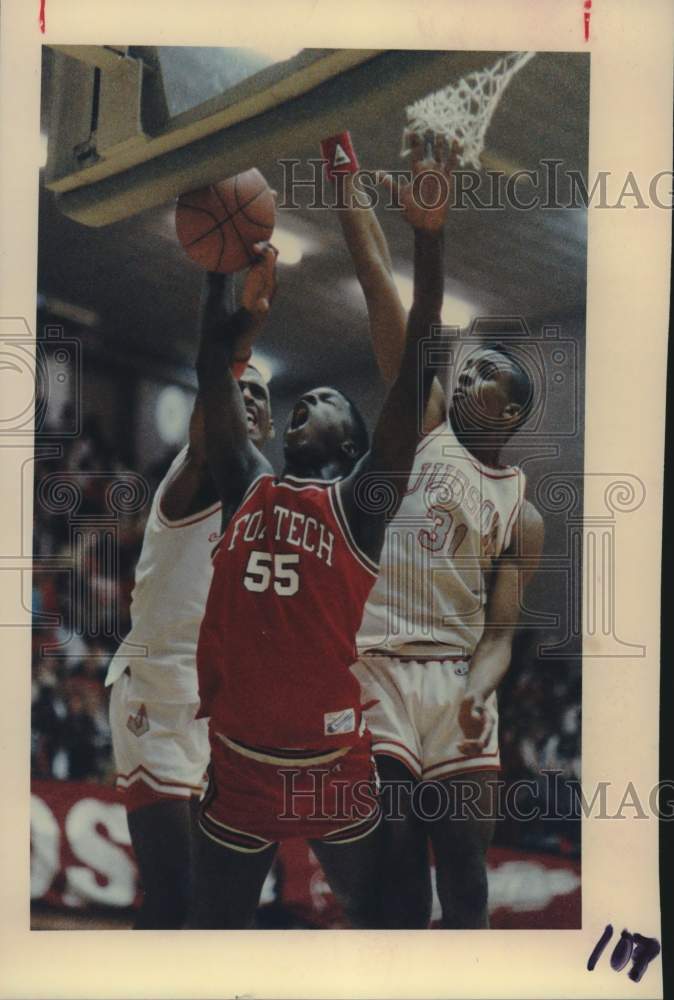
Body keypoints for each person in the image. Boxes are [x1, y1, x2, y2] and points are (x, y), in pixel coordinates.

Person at [189, 138, 455, 929]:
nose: (307, 402)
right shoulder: (247, 482)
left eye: (329, 400)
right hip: (237, 759)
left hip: (332, 765)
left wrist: (429, 239)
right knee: (209, 941)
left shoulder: (362, 504)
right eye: (302, 401)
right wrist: (220, 271)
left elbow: (417, 357)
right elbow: (211, 370)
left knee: (387, 920)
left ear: (352, 444)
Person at [335, 144, 544, 928]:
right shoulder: (419, 424)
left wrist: (477, 692)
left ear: (513, 412)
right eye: (466, 368)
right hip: (381, 667)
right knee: (390, 861)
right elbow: (377, 289)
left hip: (457, 679)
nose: (466, 377)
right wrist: (344, 173)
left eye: (486, 374)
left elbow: (501, 635)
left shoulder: (522, 511)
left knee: (465, 880)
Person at [105, 278, 273, 929]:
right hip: (155, 689)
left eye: (259, 395)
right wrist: (238, 315)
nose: (246, 402)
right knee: (174, 892)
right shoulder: (192, 473)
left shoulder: (266, 501)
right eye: (238, 391)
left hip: (214, 707)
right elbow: (213, 412)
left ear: (270, 422)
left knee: (217, 904)